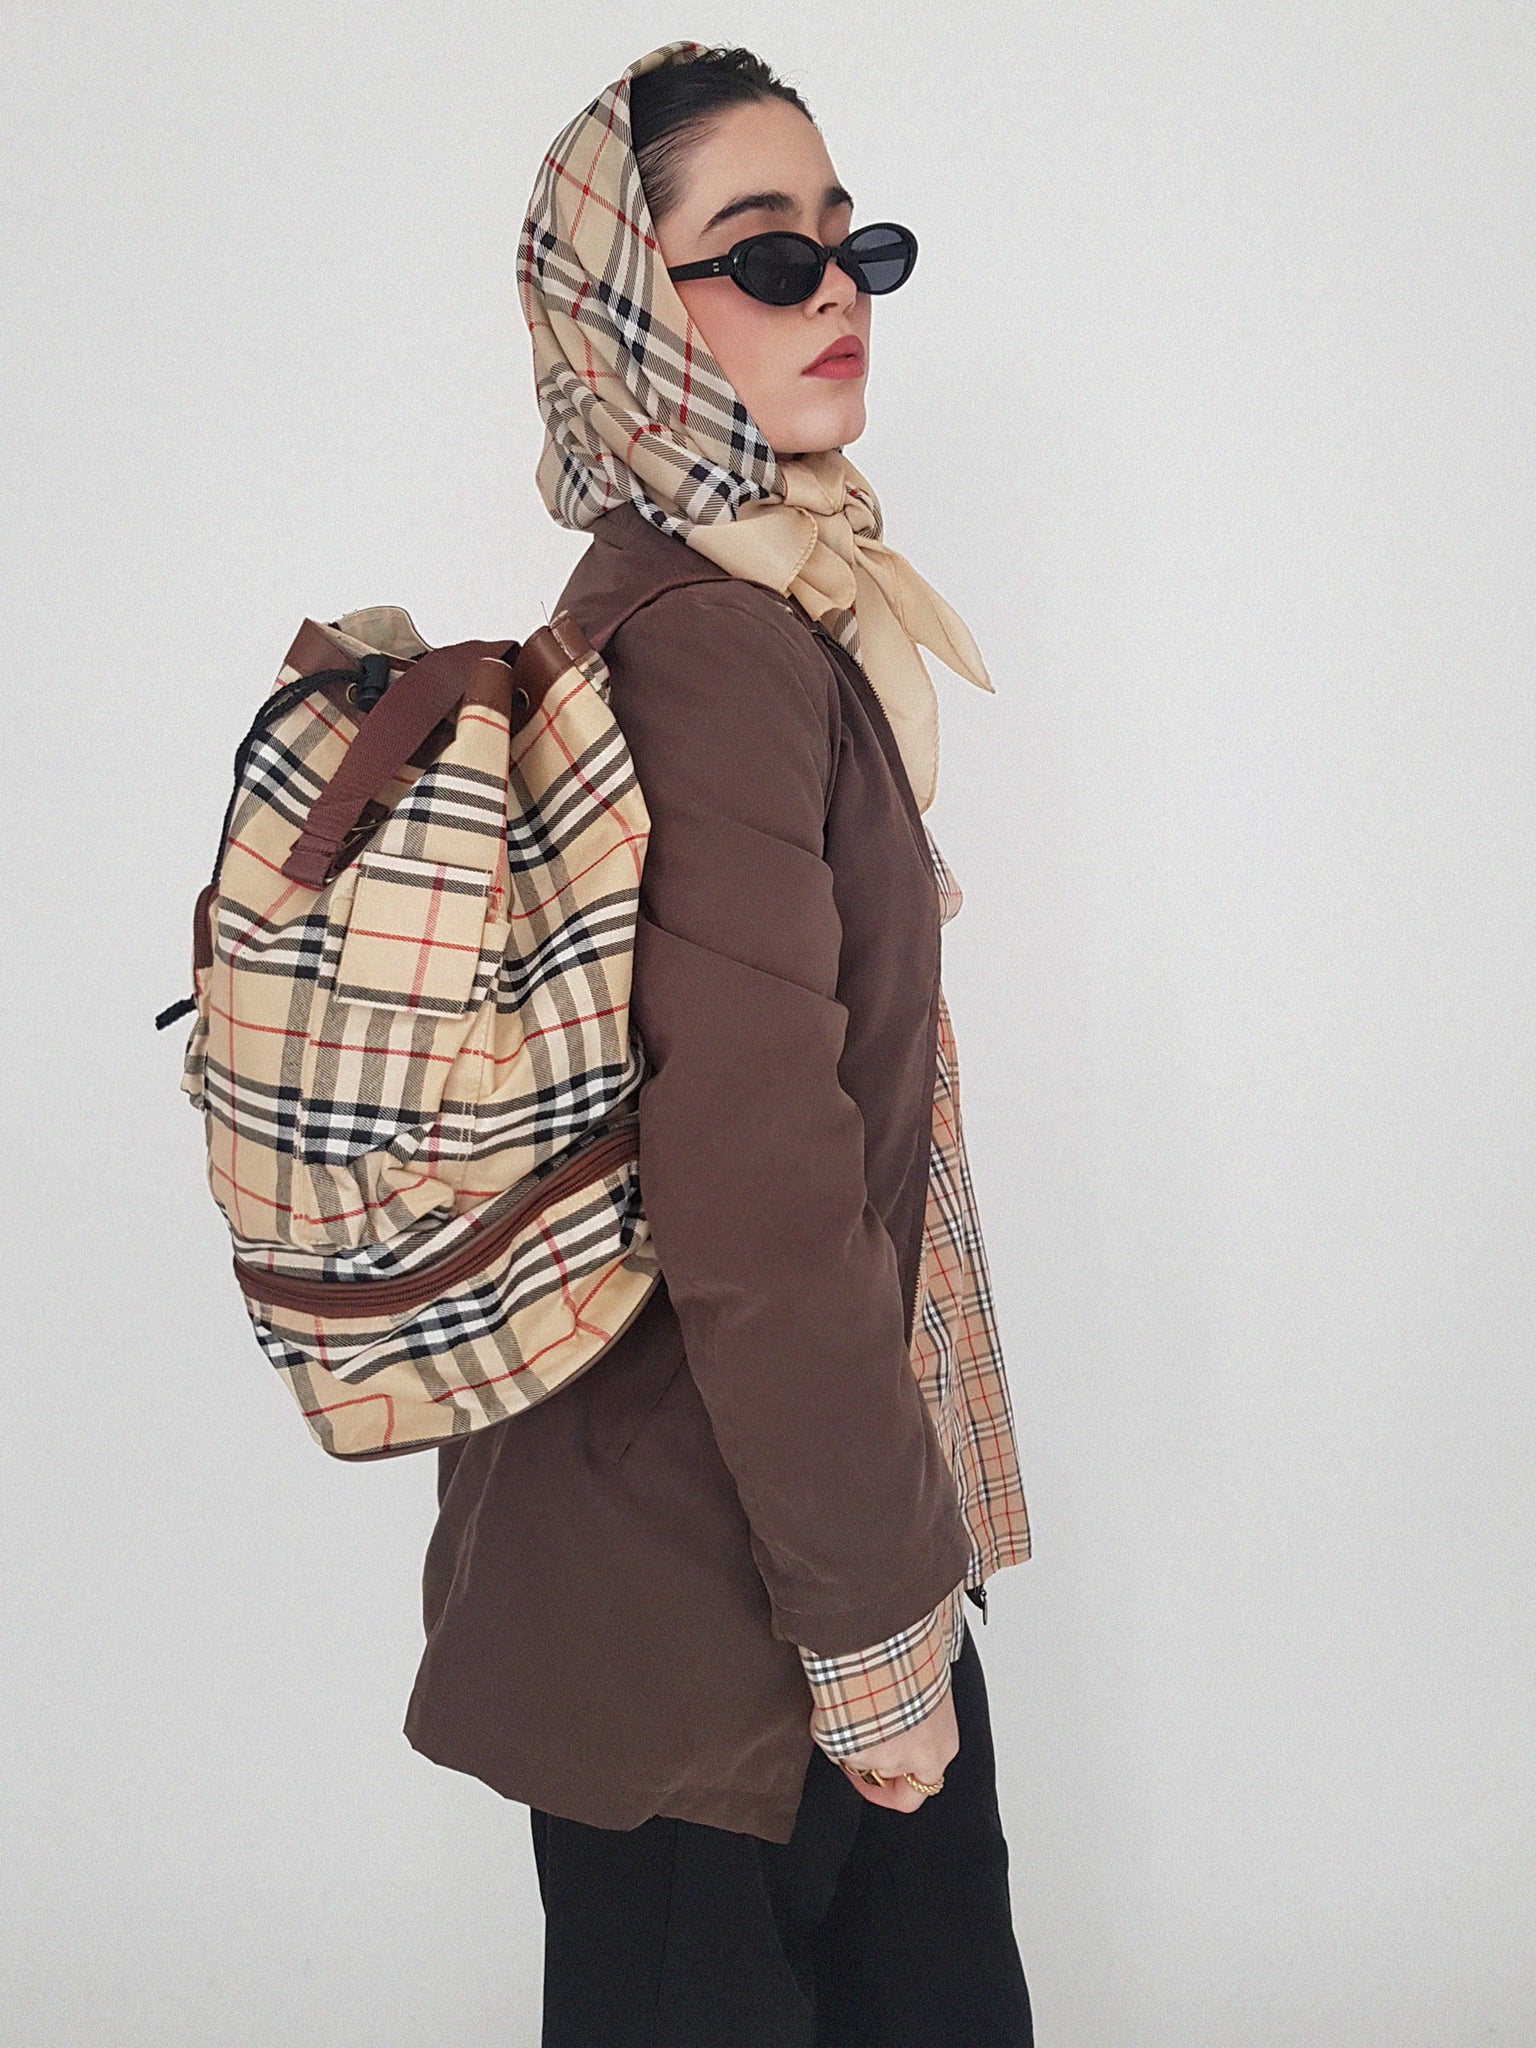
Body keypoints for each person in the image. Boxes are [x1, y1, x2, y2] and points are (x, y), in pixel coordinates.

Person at [402, 41, 1035, 2045]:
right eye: (766, 255)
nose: (837, 290)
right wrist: (873, 1632)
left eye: (858, 248)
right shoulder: (708, 652)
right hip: (715, 1628)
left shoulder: (751, 612)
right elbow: (760, 1193)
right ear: (623, 304)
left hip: (765, 1547)